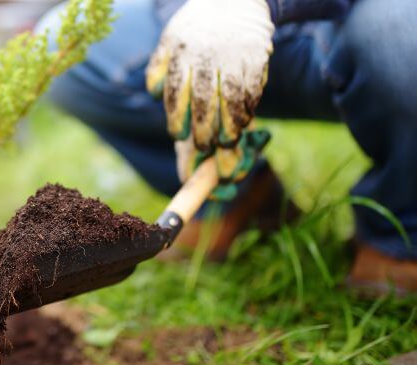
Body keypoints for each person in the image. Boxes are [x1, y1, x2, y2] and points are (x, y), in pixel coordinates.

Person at [37, 0, 417, 293]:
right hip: (227, 19)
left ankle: (400, 235)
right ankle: (238, 197)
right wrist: (200, 24)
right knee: (62, 45)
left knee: (402, 33)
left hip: (373, 23)